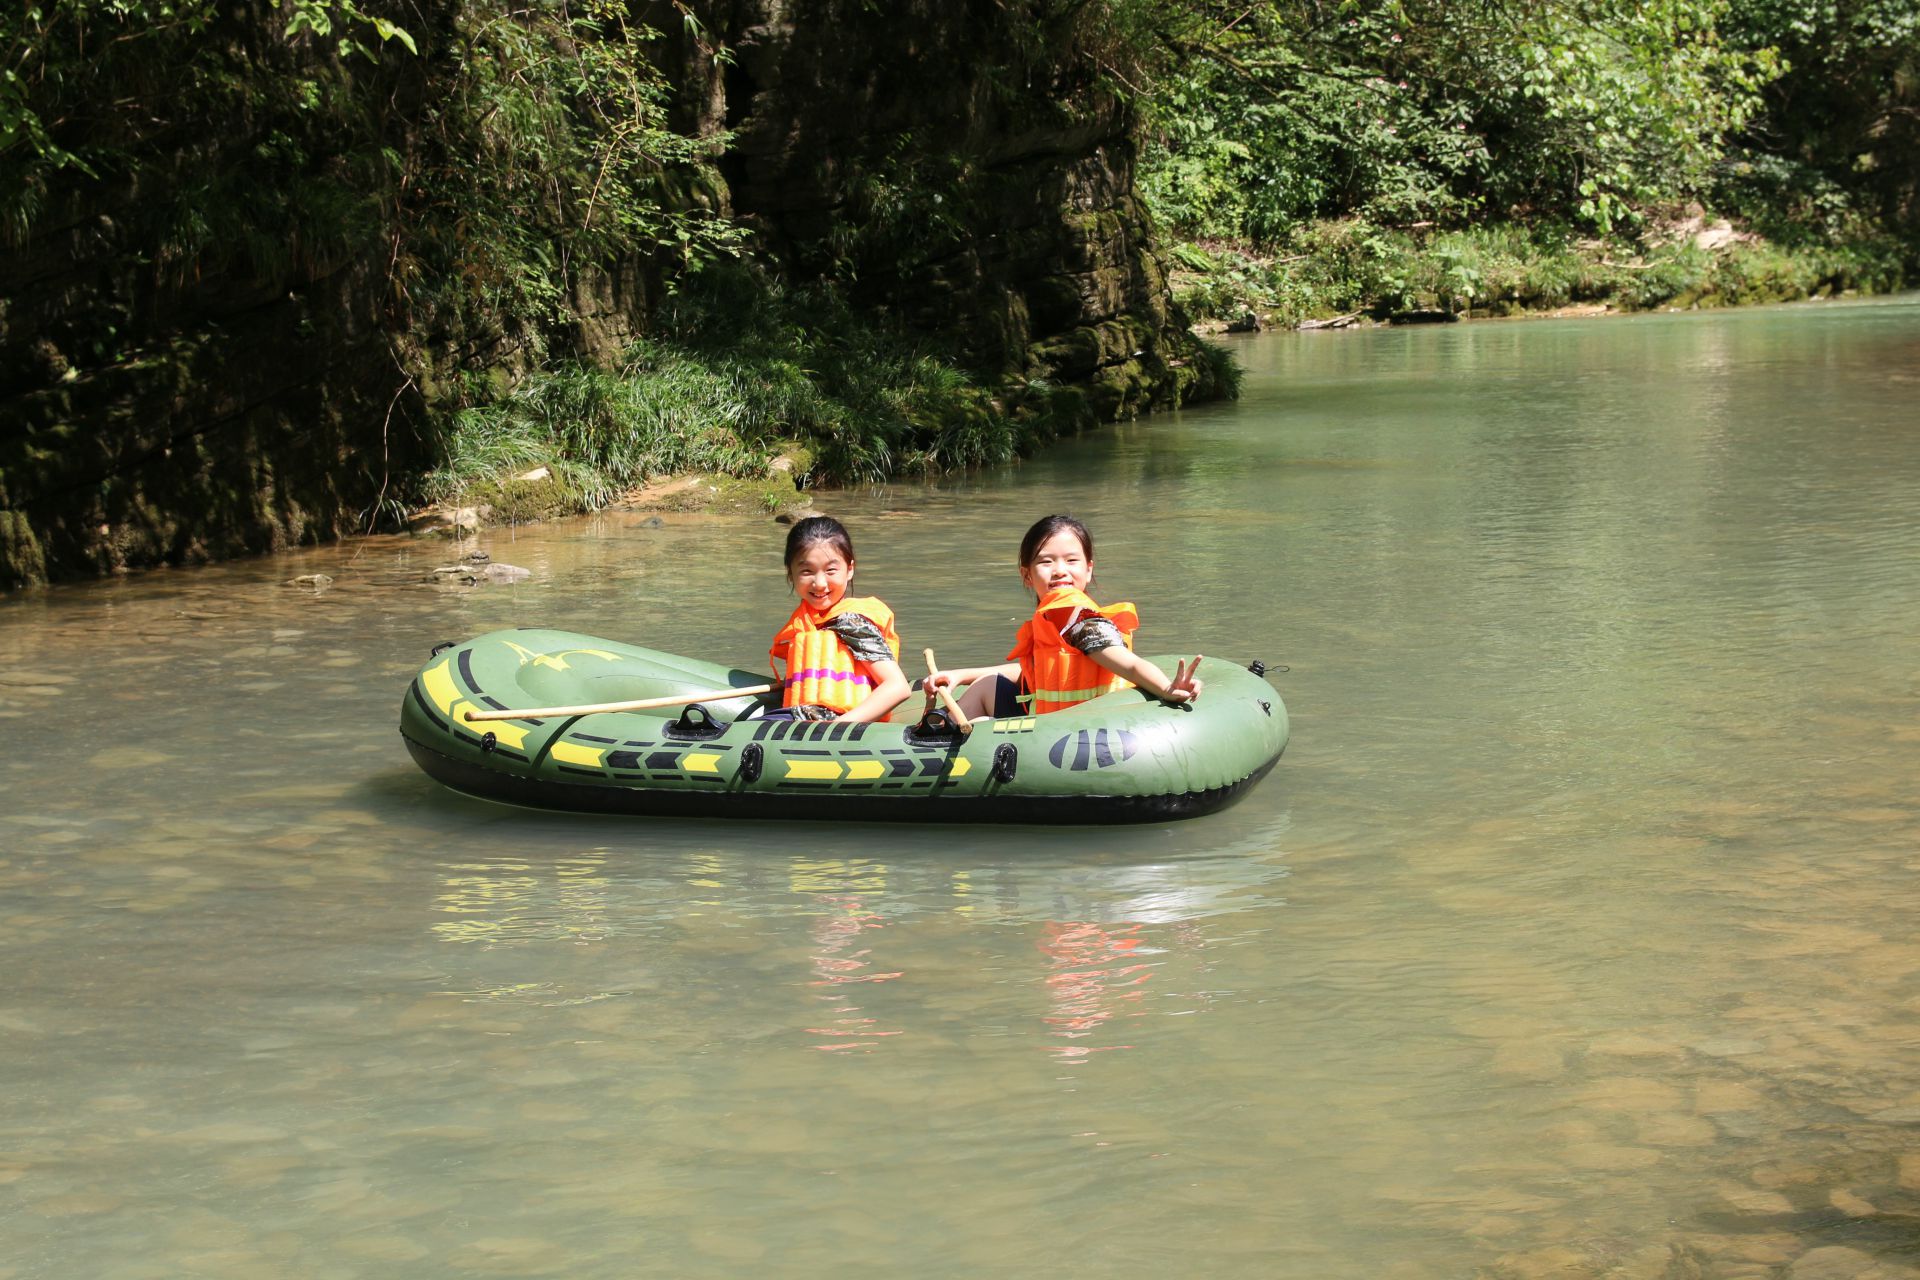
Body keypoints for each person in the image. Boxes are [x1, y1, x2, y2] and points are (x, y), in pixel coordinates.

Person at [927, 514, 1202, 721]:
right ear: (1027, 575)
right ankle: (938, 734)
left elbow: (1128, 665)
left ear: (1089, 569)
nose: (1060, 571)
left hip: (1073, 735)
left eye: (1071, 561)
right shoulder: (1057, 616)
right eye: (1046, 562)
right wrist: (960, 675)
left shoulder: (1075, 616)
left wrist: (1167, 688)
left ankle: (933, 739)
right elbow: (1035, 669)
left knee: (982, 716)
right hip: (1056, 724)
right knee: (987, 684)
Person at [765, 516, 912, 723]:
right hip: (804, 717)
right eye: (807, 571)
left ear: (849, 569)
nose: (820, 583)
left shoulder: (851, 622)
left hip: (836, 724)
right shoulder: (810, 623)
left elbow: (897, 687)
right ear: (791, 574)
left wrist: (839, 725)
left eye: (830, 570)